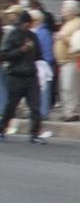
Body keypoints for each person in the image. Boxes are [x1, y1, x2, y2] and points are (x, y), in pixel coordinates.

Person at [0, 11, 44, 144]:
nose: (26, 26)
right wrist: (22, 50)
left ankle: (34, 134)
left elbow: (38, 54)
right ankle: (1, 128)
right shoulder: (12, 35)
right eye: (24, 24)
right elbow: (4, 55)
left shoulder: (33, 36)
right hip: (15, 75)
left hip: (31, 76)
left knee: (35, 106)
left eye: (28, 24)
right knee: (11, 105)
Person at [53, 0, 80, 122]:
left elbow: (77, 42)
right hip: (64, 61)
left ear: (72, 11)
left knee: (70, 87)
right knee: (65, 88)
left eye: (65, 9)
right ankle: (68, 111)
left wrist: (62, 38)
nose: (62, 11)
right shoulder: (68, 23)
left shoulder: (78, 23)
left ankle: (72, 112)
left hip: (72, 60)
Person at [28, 9, 54, 119]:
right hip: (33, 64)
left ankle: (43, 112)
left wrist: (45, 62)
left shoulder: (43, 32)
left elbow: (47, 51)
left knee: (43, 90)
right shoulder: (33, 32)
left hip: (42, 64)